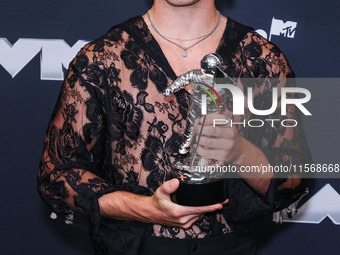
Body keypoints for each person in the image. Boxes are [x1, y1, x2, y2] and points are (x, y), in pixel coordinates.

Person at [37, 0, 312, 254]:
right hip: (136, 247)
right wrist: (144, 208)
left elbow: (294, 181)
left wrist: (240, 152)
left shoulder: (263, 59)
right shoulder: (100, 59)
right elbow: (56, 176)